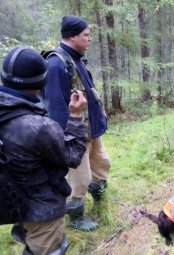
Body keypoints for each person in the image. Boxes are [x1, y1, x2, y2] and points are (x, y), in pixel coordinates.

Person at [0, 47, 87, 254]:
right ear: (40, 82)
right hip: (41, 208)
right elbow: (73, 155)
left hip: (8, 200)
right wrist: (75, 116)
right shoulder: (38, 127)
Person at [43, 15, 111, 231]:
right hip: (75, 134)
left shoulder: (77, 59)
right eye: (86, 35)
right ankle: (76, 218)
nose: (89, 39)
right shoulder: (56, 63)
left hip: (92, 130)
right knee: (78, 179)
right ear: (73, 36)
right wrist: (68, 139)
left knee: (101, 165)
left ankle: (100, 197)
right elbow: (55, 107)